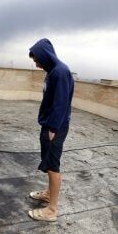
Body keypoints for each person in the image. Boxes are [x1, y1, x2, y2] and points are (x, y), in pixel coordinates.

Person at [27, 38, 74, 222]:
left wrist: (52, 129)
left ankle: (52, 210)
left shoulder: (60, 72)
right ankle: (48, 194)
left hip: (56, 126)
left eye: (37, 60)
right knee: (48, 162)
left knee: (53, 166)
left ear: (45, 56)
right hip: (50, 124)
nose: (37, 64)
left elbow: (60, 104)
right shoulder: (53, 71)